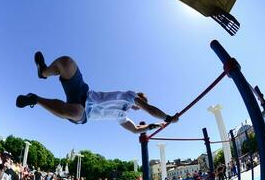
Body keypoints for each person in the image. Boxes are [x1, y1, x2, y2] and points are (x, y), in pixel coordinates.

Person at [16, 52, 178, 133]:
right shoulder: (130, 95)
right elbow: (150, 110)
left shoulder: (122, 117)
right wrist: (168, 118)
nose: (139, 104)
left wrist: (152, 126)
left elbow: (135, 129)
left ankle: (35, 99)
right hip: (83, 91)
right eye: (140, 101)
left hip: (83, 113)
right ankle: (43, 72)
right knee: (66, 62)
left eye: (140, 103)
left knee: (73, 110)